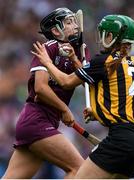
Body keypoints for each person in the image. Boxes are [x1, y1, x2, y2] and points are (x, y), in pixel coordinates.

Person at [31, 14, 134, 179]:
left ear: (111, 36)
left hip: (121, 141)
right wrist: (98, 112)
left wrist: (46, 62)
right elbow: (121, 102)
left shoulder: (104, 61)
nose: (101, 37)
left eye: (104, 33)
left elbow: (66, 82)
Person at [2, 7, 91, 179]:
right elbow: (40, 89)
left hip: (43, 122)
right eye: (68, 22)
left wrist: (75, 58)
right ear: (56, 31)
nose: (75, 26)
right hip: (36, 120)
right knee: (79, 170)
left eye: (74, 21)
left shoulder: (80, 52)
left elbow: (85, 79)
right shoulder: (48, 48)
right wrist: (64, 109)